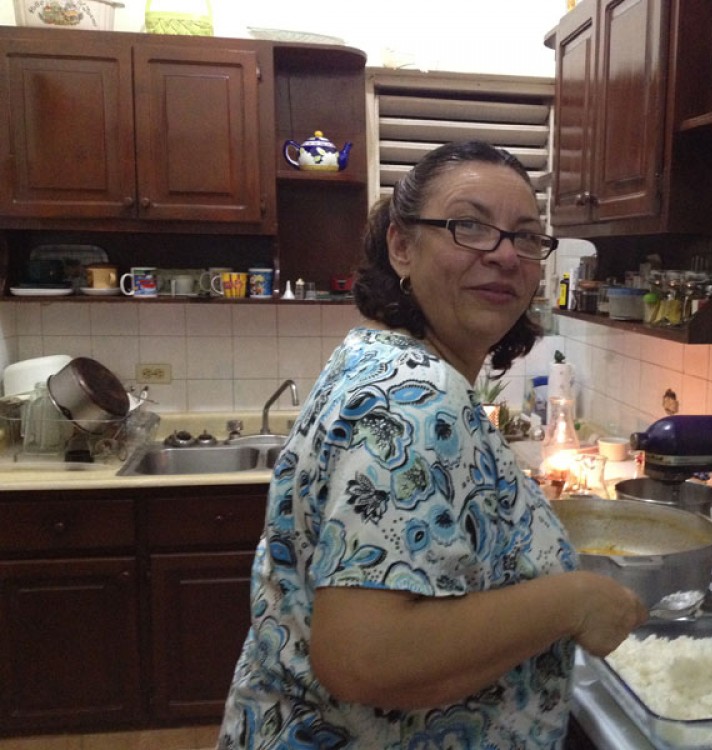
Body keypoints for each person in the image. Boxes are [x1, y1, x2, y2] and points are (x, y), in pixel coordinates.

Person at [217, 140, 648, 749]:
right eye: (469, 226)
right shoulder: (412, 397)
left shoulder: (382, 361)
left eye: (525, 237)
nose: (503, 255)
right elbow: (365, 657)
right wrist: (572, 601)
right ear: (401, 245)